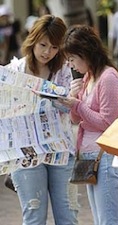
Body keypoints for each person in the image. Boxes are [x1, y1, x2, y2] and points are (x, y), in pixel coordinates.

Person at [9, 15, 78, 225]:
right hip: (26, 152)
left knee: (67, 216)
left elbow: (72, 111)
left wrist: (67, 101)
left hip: (61, 151)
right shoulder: (15, 71)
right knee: (34, 216)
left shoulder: (65, 72)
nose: (47, 52)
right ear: (33, 39)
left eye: (55, 47)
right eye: (43, 45)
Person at [59, 25, 118, 225]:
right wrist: (72, 97)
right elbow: (75, 119)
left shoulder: (108, 77)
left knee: (108, 220)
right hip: (90, 157)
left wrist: (78, 105)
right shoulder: (88, 77)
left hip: (105, 157)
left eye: (72, 59)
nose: (70, 65)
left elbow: (109, 122)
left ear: (85, 52)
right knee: (99, 220)